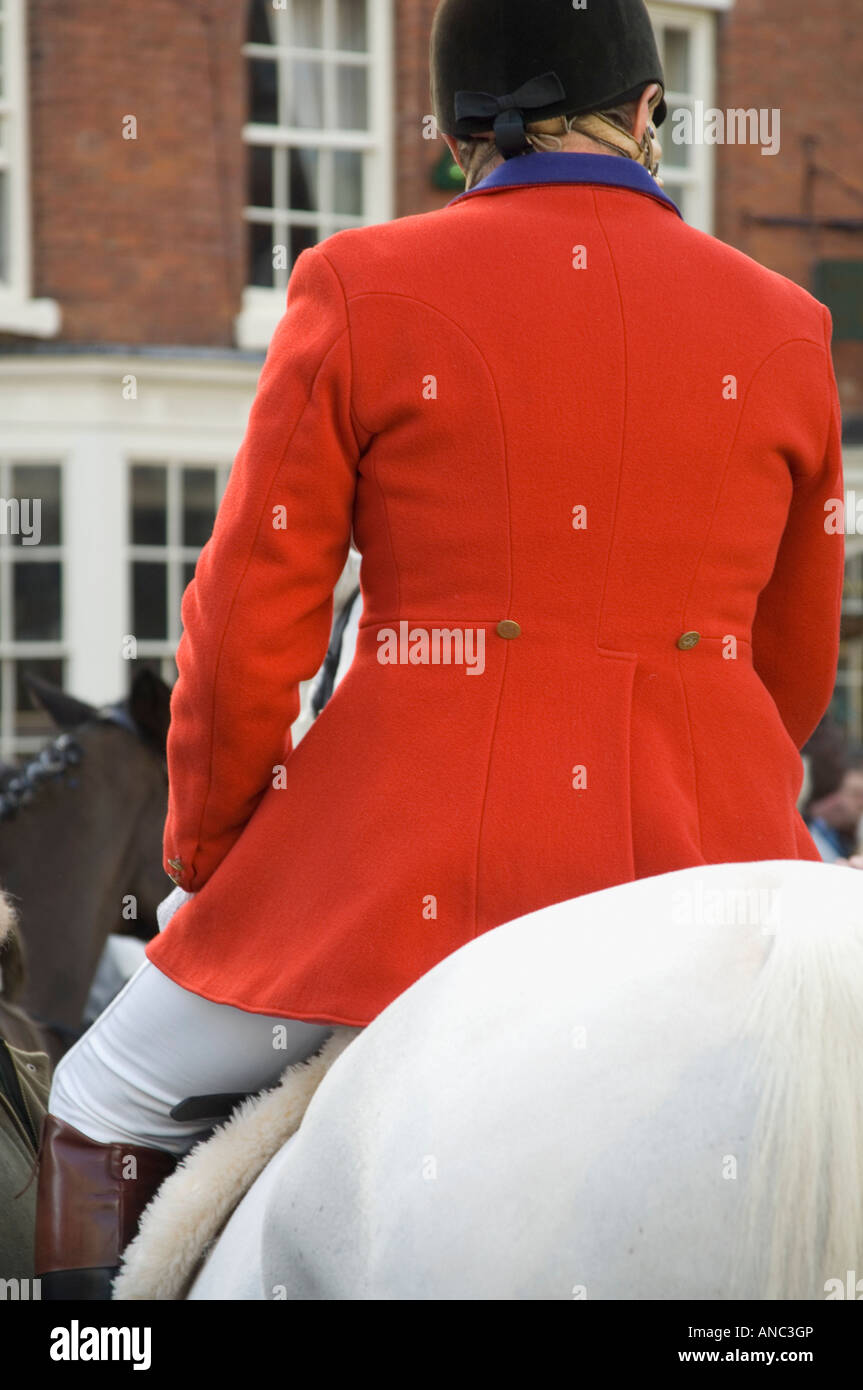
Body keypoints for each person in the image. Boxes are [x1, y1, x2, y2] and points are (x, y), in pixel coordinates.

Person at [35, 0, 844, 1298]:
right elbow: (792, 667)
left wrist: (213, 854)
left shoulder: (359, 285)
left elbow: (246, 634)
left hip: (401, 876)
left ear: (460, 130)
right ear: (647, 114)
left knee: (101, 1090)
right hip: (716, 870)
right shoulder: (790, 326)